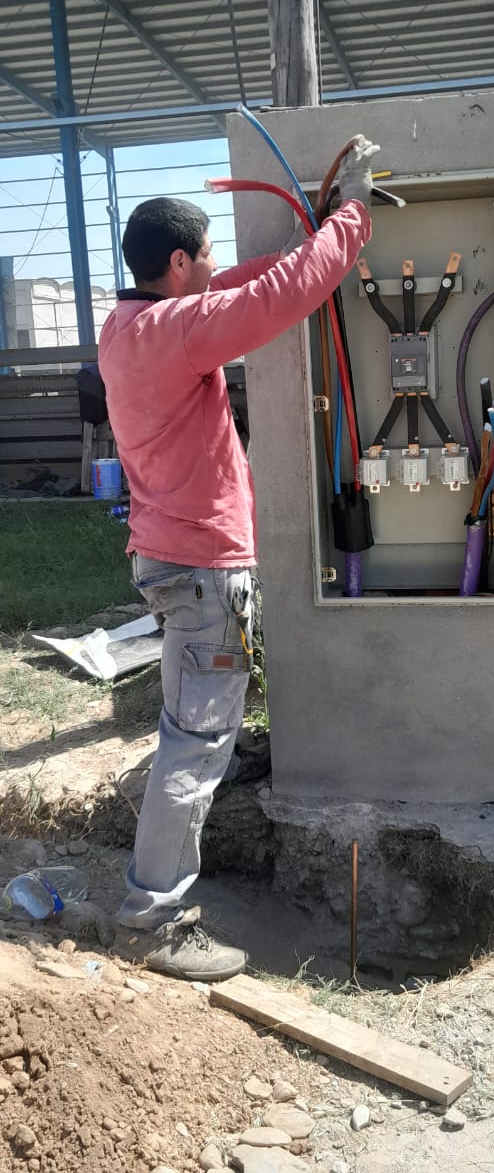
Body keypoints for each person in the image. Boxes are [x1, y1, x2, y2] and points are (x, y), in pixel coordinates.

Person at [99, 135, 379, 981]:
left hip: (174, 560)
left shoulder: (130, 324)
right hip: (200, 569)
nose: (219, 263)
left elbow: (239, 288)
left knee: (199, 721)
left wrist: (310, 240)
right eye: (209, 252)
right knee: (192, 745)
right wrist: (352, 219)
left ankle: (219, 750)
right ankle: (151, 918)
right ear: (177, 262)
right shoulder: (178, 334)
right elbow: (281, 296)